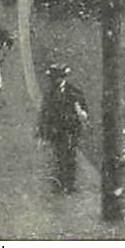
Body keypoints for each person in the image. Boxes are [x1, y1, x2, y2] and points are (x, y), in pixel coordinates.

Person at [38, 64, 90, 192]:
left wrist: (82, 117)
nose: (55, 81)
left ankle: (70, 184)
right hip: (56, 130)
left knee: (70, 155)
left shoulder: (74, 92)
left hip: (70, 129)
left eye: (57, 78)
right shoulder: (49, 93)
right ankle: (60, 183)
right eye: (53, 79)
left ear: (62, 78)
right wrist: (43, 130)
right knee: (58, 156)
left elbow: (83, 110)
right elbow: (45, 112)